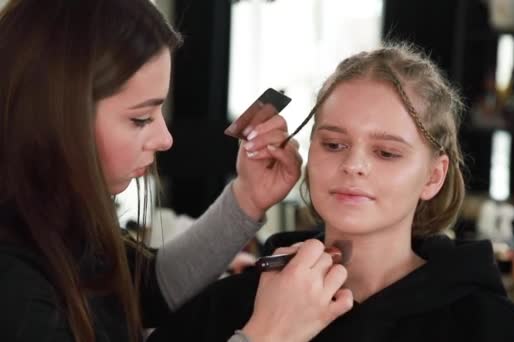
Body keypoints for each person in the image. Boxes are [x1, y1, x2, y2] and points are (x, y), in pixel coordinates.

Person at [146, 43, 514, 341]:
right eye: (333, 144)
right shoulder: (231, 309)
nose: (354, 165)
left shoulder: (497, 330)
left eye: (386, 152)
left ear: (433, 177)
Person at [0, 1, 352, 342]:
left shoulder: (59, 217)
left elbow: (146, 291)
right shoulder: (15, 286)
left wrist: (248, 198)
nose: (165, 139)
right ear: (52, 117)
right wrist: (270, 334)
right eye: (140, 118)